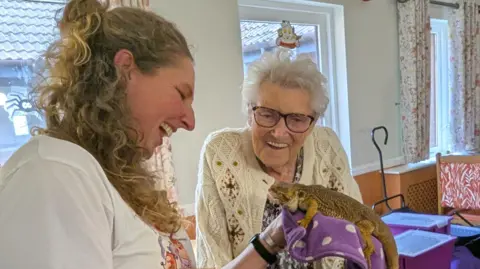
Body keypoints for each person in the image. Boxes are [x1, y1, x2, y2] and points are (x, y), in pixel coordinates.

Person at [0, 0, 286, 268]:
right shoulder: (55, 173)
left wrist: (269, 242)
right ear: (125, 70)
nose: (190, 121)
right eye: (181, 93)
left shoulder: (116, 177)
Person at [195, 48, 363, 269]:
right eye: (267, 114)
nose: (279, 132)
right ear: (249, 112)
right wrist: (267, 243)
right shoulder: (220, 154)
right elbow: (212, 263)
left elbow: (357, 231)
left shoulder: (327, 145)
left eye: (297, 119)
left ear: (312, 123)